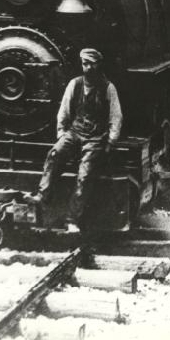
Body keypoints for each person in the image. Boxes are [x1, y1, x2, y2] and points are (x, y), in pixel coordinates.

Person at [26, 48, 122, 231]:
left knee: (84, 176)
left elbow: (116, 117)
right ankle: (42, 195)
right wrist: (62, 134)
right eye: (85, 64)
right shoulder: (75, 84)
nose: (88, 68)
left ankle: (72, 219)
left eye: (92, 64)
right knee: (54, 153)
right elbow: (64, 110)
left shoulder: (108, 88)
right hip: (75, 133)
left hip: (95, 138)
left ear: (98, 65)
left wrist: (110, 141)